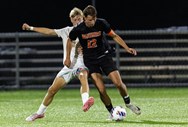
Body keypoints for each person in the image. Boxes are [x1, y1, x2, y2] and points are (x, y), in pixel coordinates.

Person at [64, 5, 141, 119]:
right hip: (90, 61)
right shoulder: (79, 29)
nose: (92, 22)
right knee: (101, 89)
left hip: (104, 56)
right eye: (90, 20)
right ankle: (111, 112)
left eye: (94, 19)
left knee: (118, 83)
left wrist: (127, 48)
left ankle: (128, 103)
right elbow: (70, 41)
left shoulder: (101, 23)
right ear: (84, 18)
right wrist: (67, 58)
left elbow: (114, 35)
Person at [22, 7, 94, 122]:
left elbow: (95, 46)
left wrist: (88, 50)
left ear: (83, 18)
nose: (77, 21)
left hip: (82, 64)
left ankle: (85, 102)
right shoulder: (66, 31)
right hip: (68, 67)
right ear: (71, 20)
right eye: (75, 19)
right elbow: (49, 31)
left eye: (79, 19)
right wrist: (31, 28)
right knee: (52, 90)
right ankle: (39, 113)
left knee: (82, 75)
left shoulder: (88, 32)